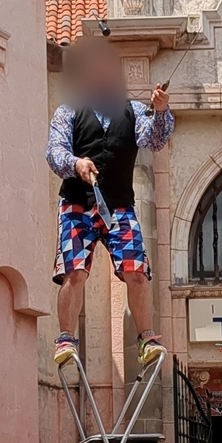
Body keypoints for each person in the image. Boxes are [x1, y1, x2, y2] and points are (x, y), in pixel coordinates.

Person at [46, 38, 174, 367]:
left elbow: (154, 139)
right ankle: (65, 338)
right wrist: (76, 164)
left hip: (118, 206)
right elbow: (54, 152)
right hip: (77, 203)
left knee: (136, 271)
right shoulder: (69, 112)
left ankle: (146, 337)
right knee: (75, 272)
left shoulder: (132, 111)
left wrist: (160, 112)